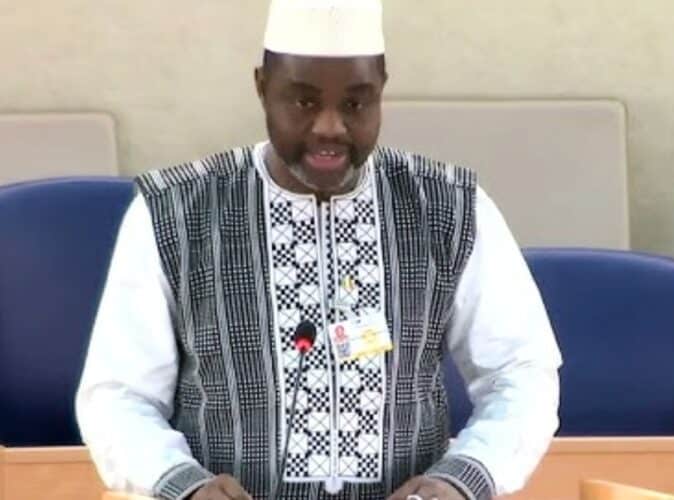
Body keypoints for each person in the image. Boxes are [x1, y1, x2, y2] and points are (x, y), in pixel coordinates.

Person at [76, 1, 562, 499]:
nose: (330, 127)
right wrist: (183, 486)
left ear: (382, 89)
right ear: (262, 87)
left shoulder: (449, 206)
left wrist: (463, 479)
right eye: (304, 102)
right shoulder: (175, 213)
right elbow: (119, 395)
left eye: (355, 103)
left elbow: (520, 372)